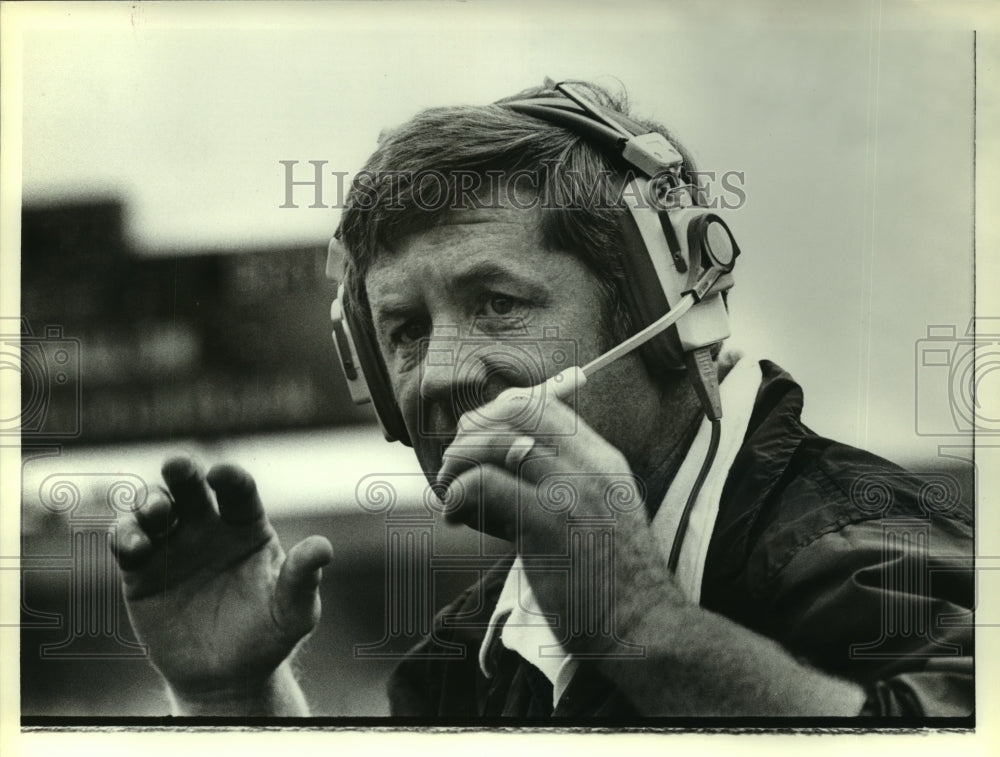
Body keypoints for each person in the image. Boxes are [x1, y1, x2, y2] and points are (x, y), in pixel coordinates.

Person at [115, 81, 974, 719]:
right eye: (406, 330)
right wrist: (234, 697)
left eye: (497, 303)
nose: (443, 373)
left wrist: (641, 628)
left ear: (661, 308)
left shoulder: (870, 553)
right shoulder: (459, 660)